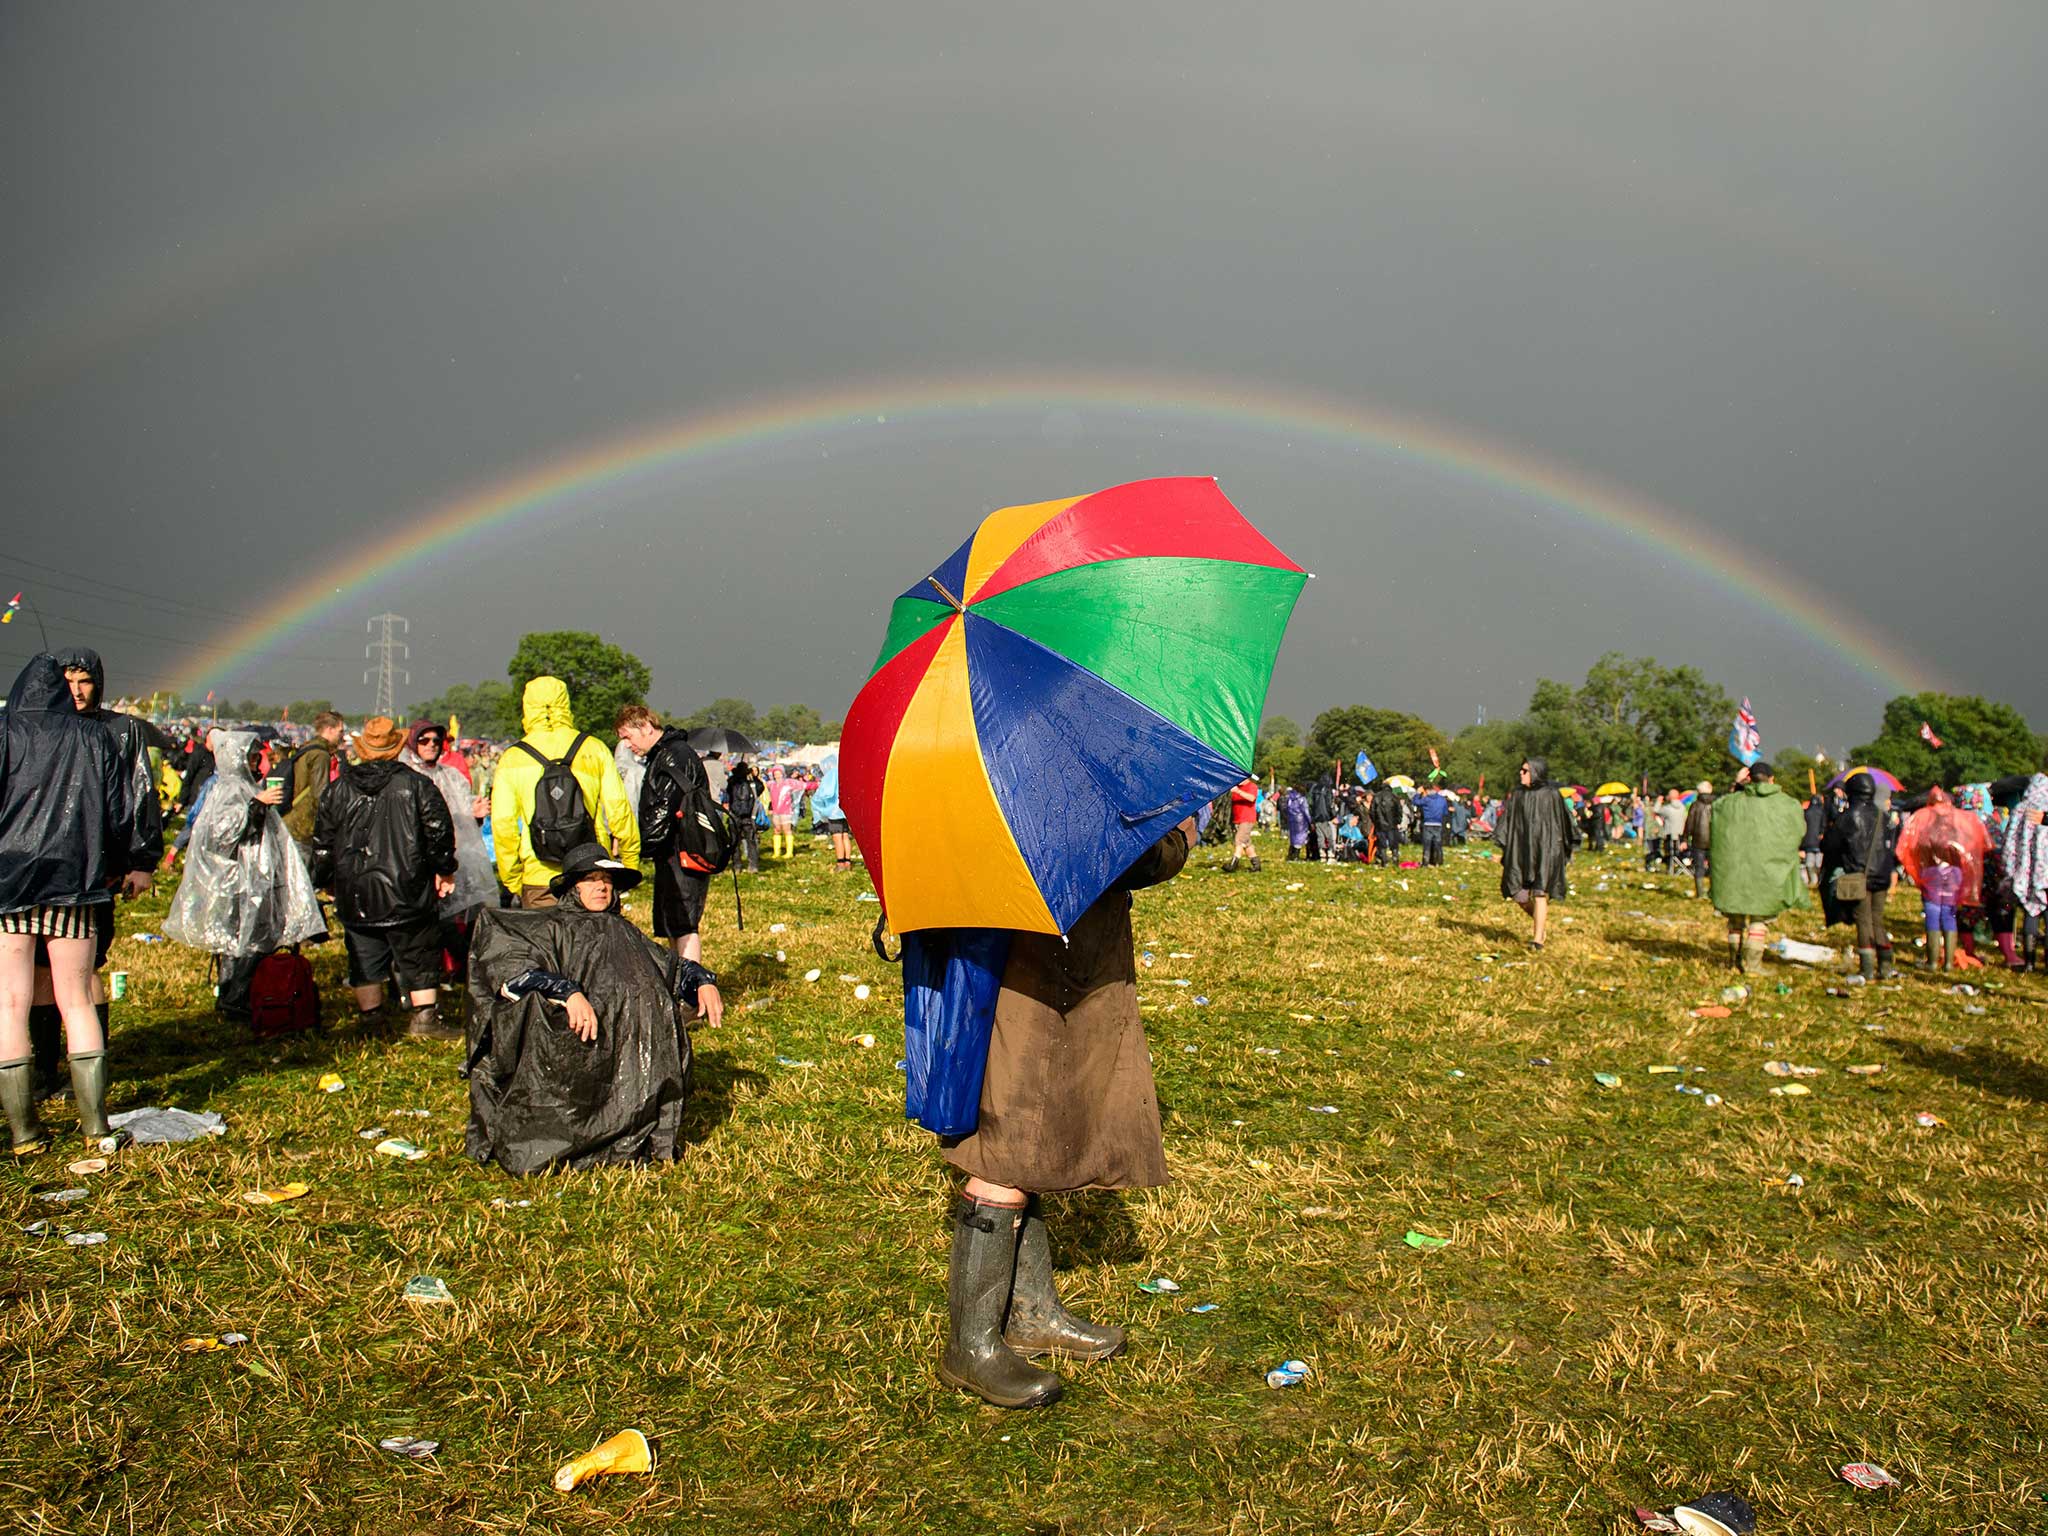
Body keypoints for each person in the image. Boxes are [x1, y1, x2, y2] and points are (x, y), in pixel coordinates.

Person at [935, 819, 1194, 1409]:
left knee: (1033, 1137)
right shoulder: (1059, 766)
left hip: (1034, 961)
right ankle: (969, 1347)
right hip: (1035, 971)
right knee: (1009, 1144)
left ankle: (1029, 1311)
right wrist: (1176, 836)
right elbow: (1125, 857)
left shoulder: (1010, 758)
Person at [465, 843, 721, 1176]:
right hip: (570, 1056)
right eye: (591, 879)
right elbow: (510, 971)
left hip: (629, 1056)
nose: (601, 887)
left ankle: (629, 1124)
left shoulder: (623, 931)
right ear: (573, 886)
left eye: (607, 880)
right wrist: (565, 992)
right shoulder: (548, 927)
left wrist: (701, 980)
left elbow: (668, 967)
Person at [0, 657, 134, 1153]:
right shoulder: (94, 737)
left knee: (9, 1005)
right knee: (76, 999)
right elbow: (119, 811)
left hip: (8, 886)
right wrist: (114, 865)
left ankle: (22, 1131)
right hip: (74, 882)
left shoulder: (4, 732)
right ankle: (95, 1125)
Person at [26, 649, 162, 1100]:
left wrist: (141, 862)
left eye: (84, 681)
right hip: (40, 871)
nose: (77, 691)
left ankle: (86, 1073)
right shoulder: (40, 727)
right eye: (68, 682)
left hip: (95, 872)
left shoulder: (120, 731)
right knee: (41, 974)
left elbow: (141, 797)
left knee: (86, 971)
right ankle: (44, 1069)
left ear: (98, 683)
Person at [310, 716, 460, 1038]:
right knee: (419, 953)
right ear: (396, 750)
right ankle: (424, 1019)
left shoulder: (338, 790)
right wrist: (444, 869)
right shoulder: (418, 785)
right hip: (408, 887)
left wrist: (324, 879)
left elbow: (322, 842)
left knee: (364, 956)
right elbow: (439, 832)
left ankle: (371, 1019)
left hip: (356, 889)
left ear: (363, 751)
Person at [162, 730, 325, 1024]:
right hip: (237, 879)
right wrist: (258, 803)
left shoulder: (244, 785)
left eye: (255, 756)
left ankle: (240, 995)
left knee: (249, 937)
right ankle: (234, 998)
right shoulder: (228, 789)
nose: (254, 762)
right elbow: (224, 833)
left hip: (253, 877)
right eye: (249, 756)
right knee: (242, 939)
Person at [491, 677, 640, 908]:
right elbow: (619, 810)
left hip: (539, 876)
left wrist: (513, 879)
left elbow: (503, 825)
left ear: (527, 706)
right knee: (594, 942)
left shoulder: (513, 758)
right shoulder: (594, 748)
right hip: (592, 872)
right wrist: (629, 863)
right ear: (566, 704)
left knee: (546, 943)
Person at [618, 706, 716, 967]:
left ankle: (691, 987)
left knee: (684, 923)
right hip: (673, 850)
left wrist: (643, 844)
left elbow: (662, 810)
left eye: (627, 736)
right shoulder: (666, 753)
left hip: (682, 850)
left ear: (647, 727)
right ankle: (680, 981)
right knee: (673, 922)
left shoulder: (673, 755)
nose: (627, 745)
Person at [402, 719, 497, 977]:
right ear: (413, 743)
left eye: (436, 740)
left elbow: (461, 818)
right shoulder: (405, 777)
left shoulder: (452, 776)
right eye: (424, 740)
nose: (431, 745)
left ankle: (460, 971)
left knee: (456, 919)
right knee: (428, 922)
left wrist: (475, 815)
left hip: (451, 860)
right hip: (418, 862)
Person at [1707, 763, 1807, 971]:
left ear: (1749, 778)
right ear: (1772, 779)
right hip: (1767, 871)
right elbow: (1798, 831)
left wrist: (1735, 784)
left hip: (1734, 870)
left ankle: (1733, 960)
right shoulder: (1787, 804)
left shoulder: (1728, 803)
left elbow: (1716, 812)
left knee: (1735, 917)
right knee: (1759, 918)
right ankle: (1753, 965)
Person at [1896, 786, 1989, 972]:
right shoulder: (1959, 824)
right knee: (1949, 914)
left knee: (1932, 914)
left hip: (1932, 874)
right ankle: (1947, 963)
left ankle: (1932, 961)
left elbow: (1911, 849)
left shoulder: (1924, 824)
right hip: (1955, 874)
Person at [1820, 769, 1899, 981]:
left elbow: (1829, 845)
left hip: (1858, 876)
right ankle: (1886, 966)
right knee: (1877, 920)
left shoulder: (1847, 817)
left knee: (1863, 920)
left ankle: (1867, 969)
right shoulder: (1884, 816)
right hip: (1881, 876)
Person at [1493, 757, 1576, 951]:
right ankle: (1540, 922)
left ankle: (1538, 939)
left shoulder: (1552, 795)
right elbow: (1509, 822)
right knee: (1519, 895)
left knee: (1540, 892)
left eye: (1525, 771)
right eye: (1521, 770)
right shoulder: (1518, 794)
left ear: (1536, 772)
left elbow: (1564, 823)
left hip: (1545, 851)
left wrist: (1563, 849)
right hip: (1521, 851)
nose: (1521, 774)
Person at [280, 711, 345, 850]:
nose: (342, 736)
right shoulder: (321, 755)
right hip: (303, 826)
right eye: (340, 731)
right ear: (329, 729)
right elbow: (320, 795)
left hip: (290, 821)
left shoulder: (307, 748)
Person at [810, 751, 854, 870]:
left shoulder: (830, 775)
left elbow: (824, 793)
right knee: (845, 836)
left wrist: (818, 807)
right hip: (845, 812)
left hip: (834, 812)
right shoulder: (843, 773)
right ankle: (848, 862)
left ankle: (840, 863)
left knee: (837, 836)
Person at [724, 758, 763, 874]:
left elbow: (728, 790)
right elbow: (760, 787)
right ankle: (752, 865)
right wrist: (753, 777)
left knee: (736, 842)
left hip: (737, 815)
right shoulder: (750, 783)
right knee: (750, 841)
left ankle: (737, 866)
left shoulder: (733, 782)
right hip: (747, 815)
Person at [1681, 782, 1715, 898]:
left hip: (1698, 840)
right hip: (1714, 840)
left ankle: (1700, 893)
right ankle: (1713, 892)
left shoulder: (1695, 805)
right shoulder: (1716, 804)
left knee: (1699, 867)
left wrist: (1684, 838)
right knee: (1714, 867)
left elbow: (1689, 823)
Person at [765, 769, 806, 860]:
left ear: (782, 774)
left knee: (787, 830)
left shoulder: (788, 783)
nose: (777, 776)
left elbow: (804, 785)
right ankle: (777, 852)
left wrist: (818, 784)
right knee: (776, 830)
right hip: (776, 812)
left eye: (779, 774)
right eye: (775, 774)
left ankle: (789, 852)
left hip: (786, 812)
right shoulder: (771, 785)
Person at [1226, 776, 1259, 871]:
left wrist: (1238, 791)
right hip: (1237, 819)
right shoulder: (1236, 787)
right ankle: (1256, 864)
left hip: (1247, 818)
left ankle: (1233, 864)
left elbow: (1252, 798)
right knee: (1247, 843)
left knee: (1239, 840)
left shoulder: (1252, 786)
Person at [1415, 782, 1451, 867]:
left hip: (1428, 823)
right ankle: (1439, 861)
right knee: (1438, 844)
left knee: (1427, 844)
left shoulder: (1426, 799)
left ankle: (1426, 862)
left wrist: (1417, 793)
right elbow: (1445, 812)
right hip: (1438, 823)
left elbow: (1415, 802)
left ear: (1426, 790)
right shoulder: (1442, 799)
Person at [1306, 773, 1338, 866]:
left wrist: (1312, 817)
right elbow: (1329, 804)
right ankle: (1331, 855)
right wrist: (1333, 815)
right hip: (1326, 816)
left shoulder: (1314, 789)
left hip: (1316, 816)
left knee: (1320, 837)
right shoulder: (1327, 790)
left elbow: (1310, 804)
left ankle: (1322, 855)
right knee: (1329, 837)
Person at [1370, 784, 1403, 865]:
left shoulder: (1376, 797)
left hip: (1380, 824)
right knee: (1394, 843)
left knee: (1381, 843)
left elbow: (1372, 811)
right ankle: (1395, 858)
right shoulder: (1394, 797)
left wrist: (1375, 821)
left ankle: (1384, 860)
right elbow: (1399, 810)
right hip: (1392, 824)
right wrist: (1398, 821)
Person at [1279, 784, 1310, 860]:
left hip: (1291, 819)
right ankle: (1296, 856)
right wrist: (1310, 821)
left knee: (1293, 837)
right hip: (1301, 820)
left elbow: (1287, 808)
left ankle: (1290, 855)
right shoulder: (1302, 799)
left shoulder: (1290, 798)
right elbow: (1305, 811)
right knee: (1300, 837)